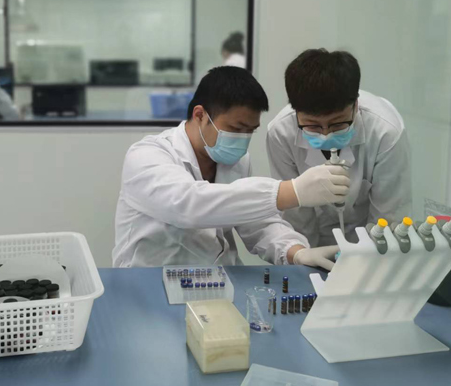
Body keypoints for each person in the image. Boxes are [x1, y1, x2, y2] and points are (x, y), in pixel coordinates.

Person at [112, 66, 350, 269]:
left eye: (250, 131)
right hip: (149, 281)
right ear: (200, 115)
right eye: (236, 129)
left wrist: (296, 252)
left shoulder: (238, 161)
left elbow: (257, 222)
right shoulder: (147, 155)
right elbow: (189, 205)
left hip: (218, 281)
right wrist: (291, 191)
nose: (243, 138)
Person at [266, 49, 411, 247]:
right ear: (296, 111)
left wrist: (367, 259)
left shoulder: (386, 132)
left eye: (337, 124)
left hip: (367, 238)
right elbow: (296, 216)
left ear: (355, 105)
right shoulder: (281, 133)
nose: (325, 134)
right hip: (315, 237)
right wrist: (305, 257)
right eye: (312, 126)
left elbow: (388, 216)